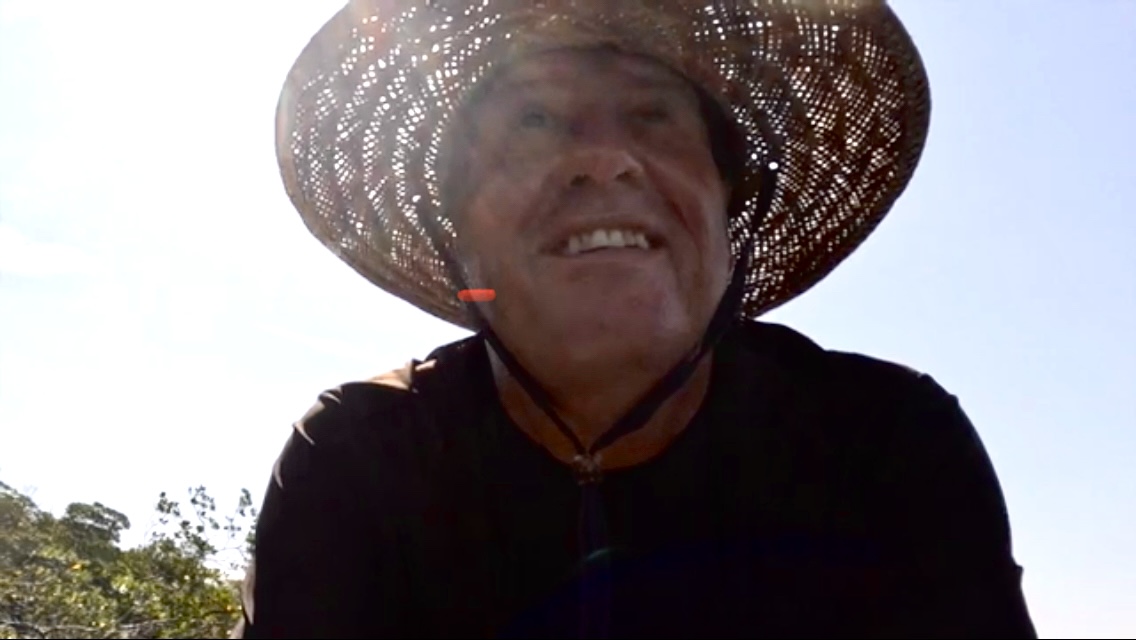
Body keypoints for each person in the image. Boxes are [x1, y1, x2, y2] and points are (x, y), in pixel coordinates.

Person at [235, 1, 1038, 637]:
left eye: (653, 117)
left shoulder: (886, 443)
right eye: (532, 124)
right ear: (461, 242)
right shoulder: (358, 460)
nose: (600, 159)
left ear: (730, 215)